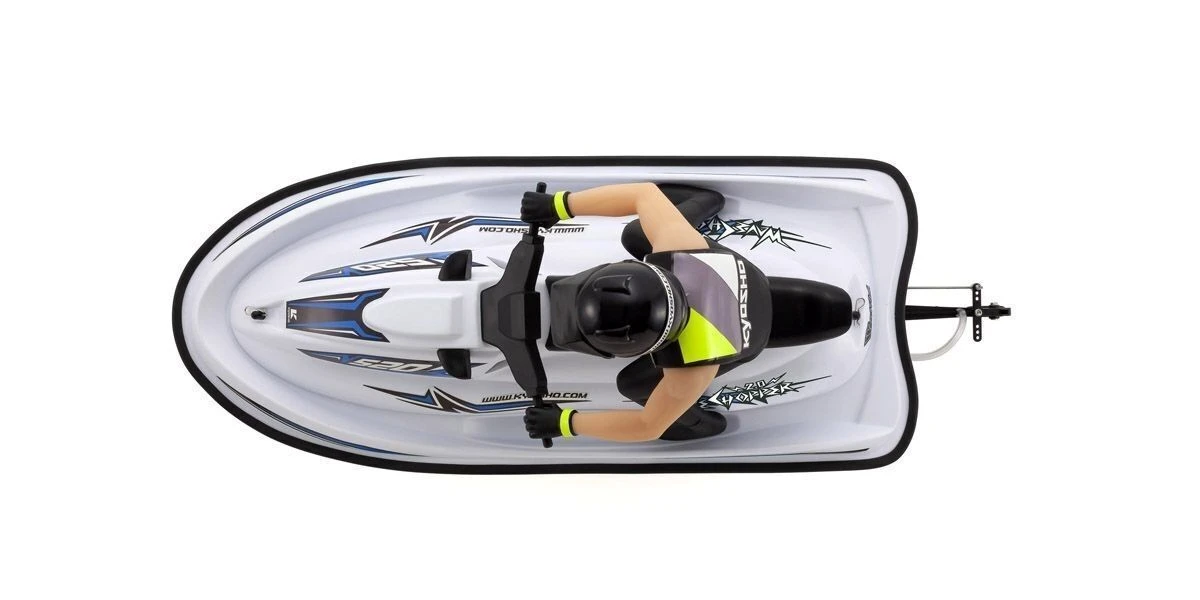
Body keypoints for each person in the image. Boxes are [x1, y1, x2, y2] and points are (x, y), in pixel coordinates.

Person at [520, 182, 772, 443]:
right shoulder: (678, 244)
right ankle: (707, 200)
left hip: (745, 338)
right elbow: (644, 194)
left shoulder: (689, 374)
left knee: (632, 384)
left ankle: (703, 426)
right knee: (635, 233)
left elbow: (648, 427)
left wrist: (568, 423)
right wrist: (558, 205)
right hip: (739, 277)